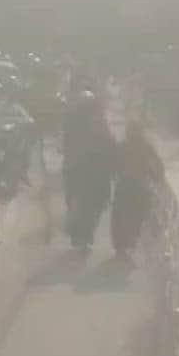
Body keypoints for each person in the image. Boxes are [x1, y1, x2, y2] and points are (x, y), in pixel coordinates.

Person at [62, 91, 116, 252]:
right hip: (84, 172)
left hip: (89, 172)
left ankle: (82, 235)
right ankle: (82, 235)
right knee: (86, 205)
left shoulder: (96, 123)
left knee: (88, 205)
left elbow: (109, 144)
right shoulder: (91, 123)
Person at [111, 122, 164, 263]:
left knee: (120, 216)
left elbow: (113, 165)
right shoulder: (146, 147)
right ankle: (130, 242)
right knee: (138, 217)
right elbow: (158, 165)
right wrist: (156, 177)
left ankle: (121, 245)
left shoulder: (122, 146)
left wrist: (117, 174)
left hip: (124, 186)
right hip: (141, 187)